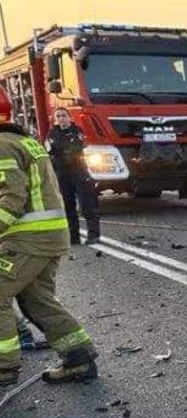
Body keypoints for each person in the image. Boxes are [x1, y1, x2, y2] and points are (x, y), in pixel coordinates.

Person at [0, 89, 97, 385]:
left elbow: (10, 198)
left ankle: (4, 368)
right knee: (37, 299)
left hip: (28, 238)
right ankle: (78, 358)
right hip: (48, 236)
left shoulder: (2, 146)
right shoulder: (24, 140)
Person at [46, 107, 100, 245]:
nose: (61, 118)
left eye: (64, 115)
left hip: (78, 170)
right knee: (67, 205)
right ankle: (73, 236)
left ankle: (93, 235)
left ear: (70, 117)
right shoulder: (52, 133)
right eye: (58, 116)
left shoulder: (77, 131)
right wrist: (63, 147)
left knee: (87, 203)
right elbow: (50, 149)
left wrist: (61, 148)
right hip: (61, 172)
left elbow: (76, 146)